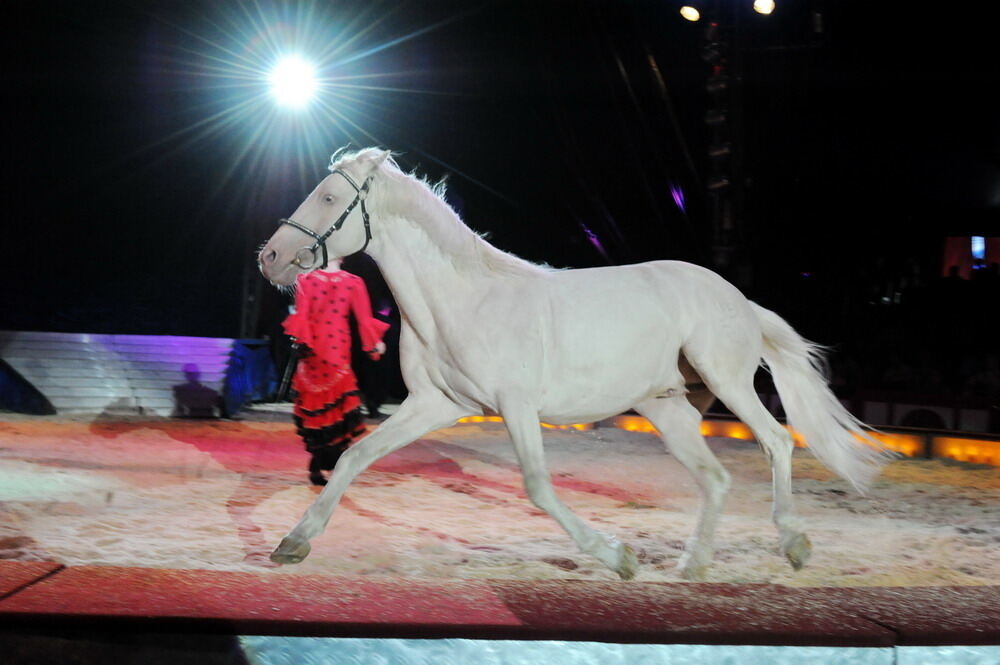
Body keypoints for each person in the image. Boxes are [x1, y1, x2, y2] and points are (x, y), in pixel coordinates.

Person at [282, 259, 388, 485]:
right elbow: (364, 319)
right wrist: (374, 343)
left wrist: (302, 342)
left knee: (319, 407)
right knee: (338, 406)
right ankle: (331, 463)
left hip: (317, 347)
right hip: (333, 348)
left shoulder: (307, 279)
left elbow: (302, 317)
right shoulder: (351, 282)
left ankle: (318, 463)